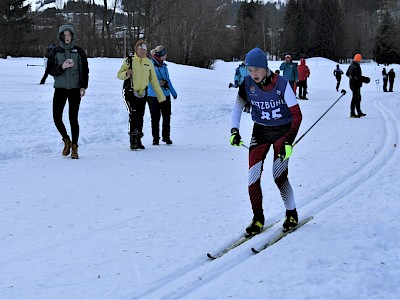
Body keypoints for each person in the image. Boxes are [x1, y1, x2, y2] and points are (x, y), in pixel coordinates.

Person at [230, 47, 303, 235]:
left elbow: (297, 115)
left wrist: (289, 142)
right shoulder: (247, 84)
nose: (253, 74)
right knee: (252, 177)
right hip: (261, 131)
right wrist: (234, 130)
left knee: (278, 176)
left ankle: (291, 213)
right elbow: (237, 108)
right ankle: (257, 218)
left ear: (265, 67)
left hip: (283, 132)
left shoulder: (282, 84)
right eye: (249, 69)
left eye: (257, 69)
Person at [46, 25, 89, 159]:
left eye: (69, 35)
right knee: (56, 117)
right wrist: (62, 67)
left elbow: (85, 70)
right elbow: (50, 70)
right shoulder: (55, 51)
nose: (67, 38)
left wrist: (83, 86)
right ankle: (66, 140)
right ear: (60, 36)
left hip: (75, 89)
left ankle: (75, 147)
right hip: (60, 88)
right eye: (64, 35)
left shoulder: (79, 51)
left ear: (72, 35)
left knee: (73, 118)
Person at [117, 40, 165, 150]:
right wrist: (126, 73)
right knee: (134, 115)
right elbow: (119, 74)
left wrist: (160, 96)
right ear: (136, 49)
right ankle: (133, 140)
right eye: (140, 48)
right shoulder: (129, 60)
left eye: (144, 49)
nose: (142, 50)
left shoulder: (148, 62)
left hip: (142, 93)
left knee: (140, 115)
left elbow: (153, 80)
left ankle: (138, 139)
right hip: (130, 92)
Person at [147, 45, 177, 145]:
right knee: (155, 117)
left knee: (167, 116)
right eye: (165, 53)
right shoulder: (150, 64)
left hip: (165, 95)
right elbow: (146, 79)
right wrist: (157, 83)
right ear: (161, 55)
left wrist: (173, 93)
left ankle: (166, 137)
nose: (166, 55)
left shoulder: (164, 66)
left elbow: (168, 80)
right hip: (153, 95)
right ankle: (155, 139)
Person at [346, 53, 368, 118]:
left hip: (353, 84)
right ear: (358, 59)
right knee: (356, 98)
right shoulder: (356, 66)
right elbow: (358, 77)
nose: (360, 61)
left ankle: (358, 112)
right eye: (360, 59)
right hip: (355, 85)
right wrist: (364, 79)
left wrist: (352, 77)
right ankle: (353, 113)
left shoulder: (352, 65)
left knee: (357, 98)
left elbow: (347, 74)